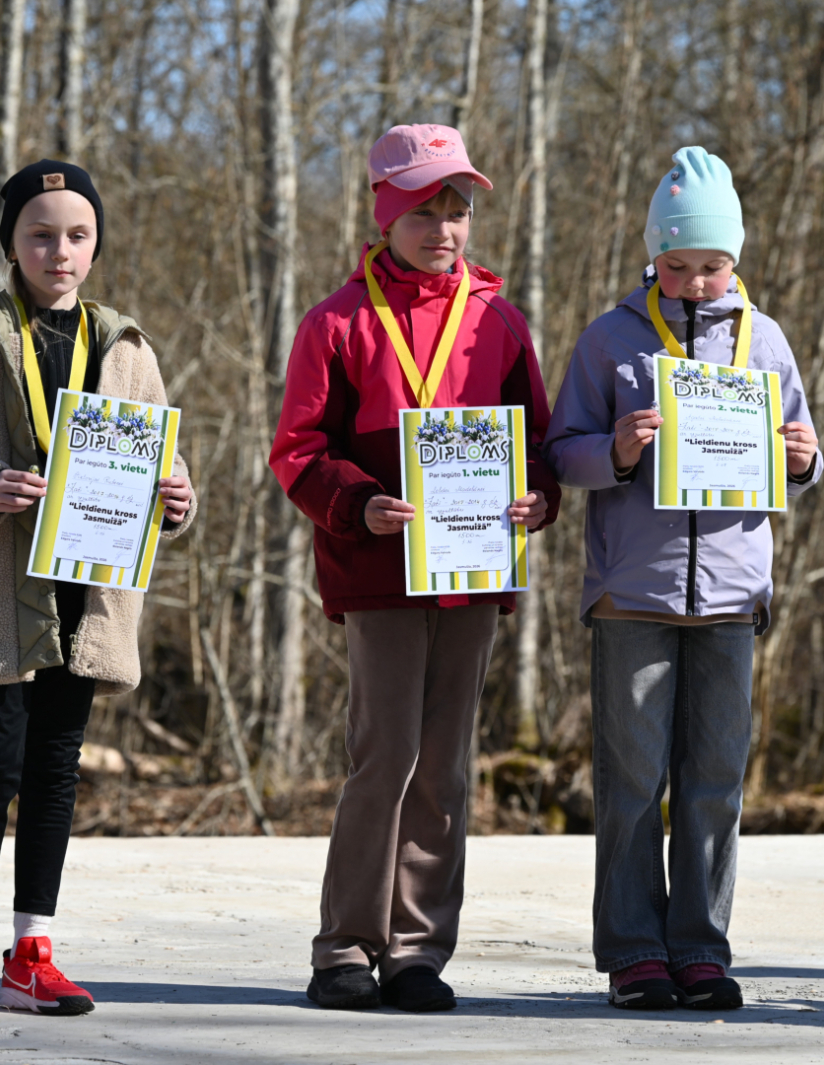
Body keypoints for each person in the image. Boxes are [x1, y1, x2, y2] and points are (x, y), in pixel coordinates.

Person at [269, 124, 561, 1013]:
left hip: (472, 571)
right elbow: (296, 449)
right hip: (379, 570)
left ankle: (419, 950)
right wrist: (358, 503)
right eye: (427, 209)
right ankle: (345, 947)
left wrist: (536, 497)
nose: (445, 227)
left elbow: (539, 444)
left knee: (444, 762)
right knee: (384, 753)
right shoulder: (338, 321)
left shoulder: (500, 321)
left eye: (459, 209)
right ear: (385, 213)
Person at [0, 159, 195, 1020]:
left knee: (56, 768)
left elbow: (158, 453)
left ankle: (33, 948)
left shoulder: (126, 345)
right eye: (40, 233)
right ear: (11, 243)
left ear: (95, 244)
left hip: (87, 593)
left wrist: (177, 495)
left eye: (76, 234)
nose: (58, 250)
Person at [543, 146, 823, 1012]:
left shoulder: (765, 338)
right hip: (634, 591)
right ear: (652, 257)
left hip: (734, 596)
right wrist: (619, 450)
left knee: (715, 778)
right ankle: (634, 950)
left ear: (735, 260)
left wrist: (807, 461)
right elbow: (562, 454)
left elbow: (802, 445)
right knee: (632, 778)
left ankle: (701, 946)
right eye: (679, 265)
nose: (696, 282)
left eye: (712, 265)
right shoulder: (612, 338)